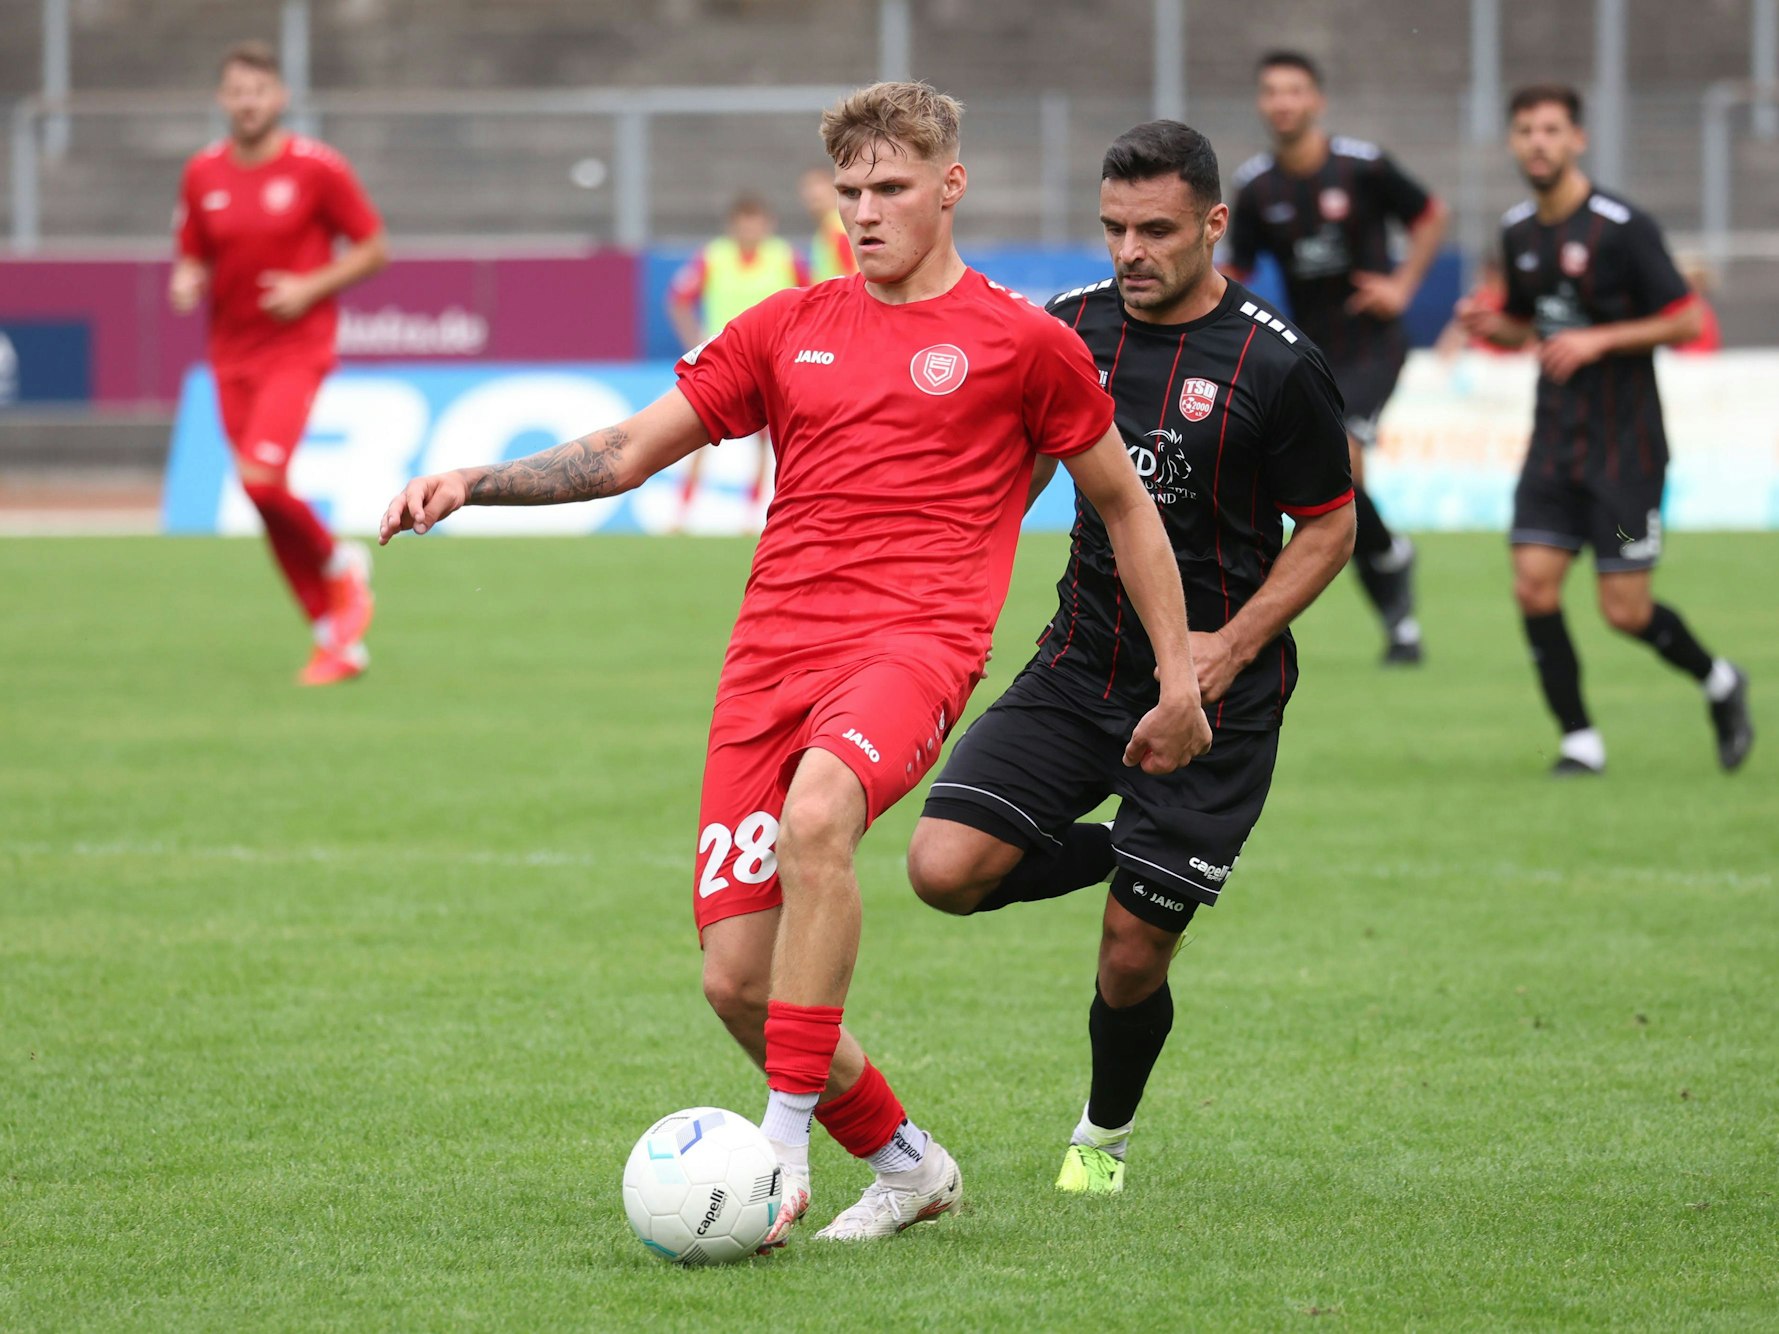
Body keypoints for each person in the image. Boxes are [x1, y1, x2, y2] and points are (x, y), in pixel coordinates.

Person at [380, 81, 1211, 1244]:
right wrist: (475, 479)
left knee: (825, 815)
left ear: (949, 187)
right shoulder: (783, 325)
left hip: (915, 647)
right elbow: (627, 450)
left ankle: (776, 1148)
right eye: (851, 191)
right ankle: (908, 1162)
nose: (866, 213)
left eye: (892, 189)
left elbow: (1124, 506)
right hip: (770, 658)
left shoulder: (1024, 342)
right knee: (737, 980)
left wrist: (1178, 674)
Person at [905, 120, 1355, 1194]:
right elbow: (999, 466)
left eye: (1155, 230)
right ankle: (1124, 847)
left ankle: (1100, 1139)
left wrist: (1227, 650)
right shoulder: (1068, 330)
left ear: (1213, 224)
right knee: (943, 870)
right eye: (1112, 229)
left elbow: (1332, 526)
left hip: (1216, 701)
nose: (1130, 252)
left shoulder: (1276, 364)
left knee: (1129, 954)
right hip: (1081, 666)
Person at [1456, 84, 1753, 774]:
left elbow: (1684, 318)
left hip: (1625, 460)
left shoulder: (1621, 227)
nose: (1538, 141)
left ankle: (1718, 680)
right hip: (1553, 450)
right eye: (1525, 129)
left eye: (1551, 129)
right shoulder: (1517, 232)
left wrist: (1599, 341)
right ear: (1512, 141)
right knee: (1532, 585)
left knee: (1623, 607)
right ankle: (1578, 740)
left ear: (1576, 140)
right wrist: (1490, 325)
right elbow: (1531, 323)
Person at [169, 40, 387, 685]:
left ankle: (340, 563)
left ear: (280, 98)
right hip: (229, 353)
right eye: (237, 91)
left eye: (258, 91)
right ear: (222, 99)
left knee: (263, 477)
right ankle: (334, 638)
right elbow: (192, 254)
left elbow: (373, 247)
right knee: (260, 496)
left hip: (296, 349)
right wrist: (187, 281)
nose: (247, 102)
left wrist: (309, 287)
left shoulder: (317, 168)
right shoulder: (201, 173)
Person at [1226, 50, 1448, 665]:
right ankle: (1398, 613)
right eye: (1271, 91)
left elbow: (1431, 216)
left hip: (1374, 345)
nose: (1283, 102)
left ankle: (1389, 569)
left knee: (1341, 465)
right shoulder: (1257, 186)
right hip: (1311, 354)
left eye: (1294, 90)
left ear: (1316, 100)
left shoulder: (1363, 167)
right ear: (1261, 103)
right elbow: (1235, 270)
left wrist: (1402, 286)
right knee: (1341, 489)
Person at [665, 194, 809, 527]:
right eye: (744, 222)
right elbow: (679, 299)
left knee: (766, 441)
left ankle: (753, 513)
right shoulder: (714, 256)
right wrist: (695, 341)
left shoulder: (785, 257)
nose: (750, 229)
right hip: (723, 360)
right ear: (733, 225)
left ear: (768, 224)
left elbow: (812, 301)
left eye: (756, 222)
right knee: (697, 433)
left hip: (772, 360)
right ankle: (683, 511)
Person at [800, 165, 859, 283]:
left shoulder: (838, 229)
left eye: (817, 185)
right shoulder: (826, 230)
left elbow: (851, 276)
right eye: (807, 187)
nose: (812, 192)